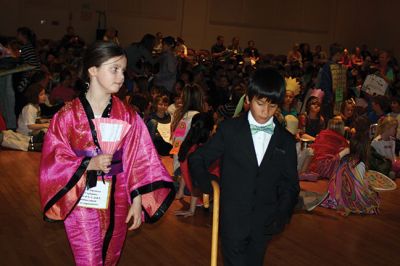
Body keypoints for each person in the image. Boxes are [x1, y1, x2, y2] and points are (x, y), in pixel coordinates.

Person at [39, 41, 175, 265]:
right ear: (93, 70)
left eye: (123, 70)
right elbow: (54, 158)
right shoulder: (67, 116)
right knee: (89, 259)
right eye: (114, 69)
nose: (121, 76)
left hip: (119, 195)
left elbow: (140, 159)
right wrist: (88, 164)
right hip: (83, 197)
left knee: (111, 257)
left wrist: (138, 199)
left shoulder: (128, 115)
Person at [189, 67, 300, 266]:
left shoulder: (286, 141)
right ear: (248, 99)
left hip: (264, 223)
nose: (265, 112)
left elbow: (290, 185)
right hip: (233, 219)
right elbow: (198, 158)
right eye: (260, 103)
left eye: (272, 106)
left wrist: (281, 215)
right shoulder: (230, 130)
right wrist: (207, 183)